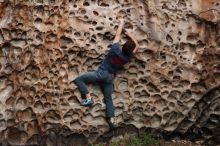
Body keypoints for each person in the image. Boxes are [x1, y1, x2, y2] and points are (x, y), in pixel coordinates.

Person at [73, 19, 139, 130]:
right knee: (108, 98)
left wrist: (121, 23)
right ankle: (112, 120)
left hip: (101, 73)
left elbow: (117, 35)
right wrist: (130, 35)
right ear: (130, 51)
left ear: (122, 46)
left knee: (79, 79)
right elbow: (137, 45)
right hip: (110, 78)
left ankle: (89, 98)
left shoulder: (115, 49)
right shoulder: (128, 57)